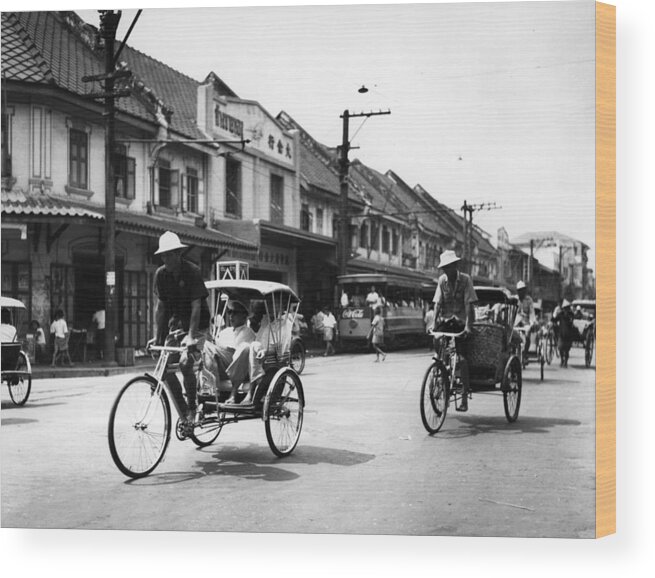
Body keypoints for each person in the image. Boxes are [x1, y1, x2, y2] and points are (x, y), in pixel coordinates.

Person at [149, 231, 211, 430]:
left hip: (198, 326)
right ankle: (184, 414)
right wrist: (157, 338)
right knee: (163, 368)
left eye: (169, 254)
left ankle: (193, 408)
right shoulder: (161, 274)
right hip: (176, 327)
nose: (166, 259)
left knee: (186, 363)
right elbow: (161, 308)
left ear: (178, 254)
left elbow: (196, 306)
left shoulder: (192, 271)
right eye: (163, 255)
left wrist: (192, 336)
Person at [431, 250, 478, 412]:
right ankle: (441, 366)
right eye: (444, 268)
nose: (446, 271)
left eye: (448, 267)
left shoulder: (465, 280)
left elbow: (469, 304)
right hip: (446, 320)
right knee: (436, 339)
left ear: (455, 266)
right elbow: (437, 303)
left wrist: (468, 327)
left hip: (461, 322)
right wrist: (433, 323)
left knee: (463, 358)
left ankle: (464, 395)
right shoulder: (442, 281)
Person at [514, 280, 537, 361]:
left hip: (526, 321)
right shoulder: (515, 299)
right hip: (516, 322)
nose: (521, 292)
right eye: (519, 290)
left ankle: (525, 353)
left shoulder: (529, 300)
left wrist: (532, 322)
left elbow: (531, 312)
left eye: (523, 290)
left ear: (525, 290)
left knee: (527, 336)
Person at [554, 299, 575, 367]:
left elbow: (572, 321)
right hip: (561, 334)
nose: (566, 309)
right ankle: (562, 360)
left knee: (567, 350)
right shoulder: (560, 314)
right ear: (563, 309)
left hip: (569, 335)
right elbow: (554, 319)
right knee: (560, 348)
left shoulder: (571, 314)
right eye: (565, 308)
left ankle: (565, 362)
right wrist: (552, 322)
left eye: (567, 308)